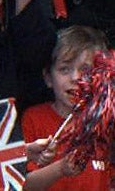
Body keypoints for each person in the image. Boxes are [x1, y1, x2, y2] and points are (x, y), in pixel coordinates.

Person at [22, 26, 112, 190]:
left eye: (85, 70)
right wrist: (60, 169)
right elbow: (24, 185)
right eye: (64, 69)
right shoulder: (33, 118)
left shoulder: (105, 124)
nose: (75, 78)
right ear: (48, 77)